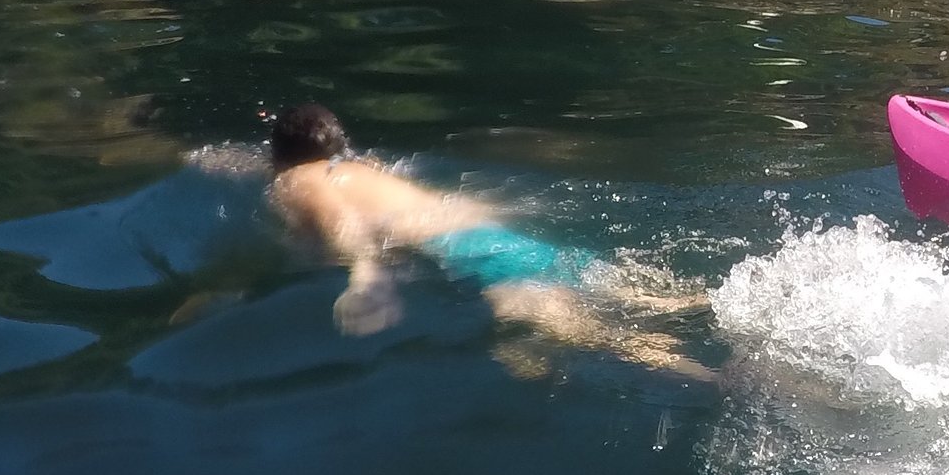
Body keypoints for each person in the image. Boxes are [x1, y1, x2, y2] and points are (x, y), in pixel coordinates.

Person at [264, 104, 707, 371]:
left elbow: (342, 223)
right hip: (494, 236)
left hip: (473, 255)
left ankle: (707, 377)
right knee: (644, 298)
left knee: (605, 336)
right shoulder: (363, 169)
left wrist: (366, 278)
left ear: (279, 157)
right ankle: (714, 303)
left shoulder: (300, 179)